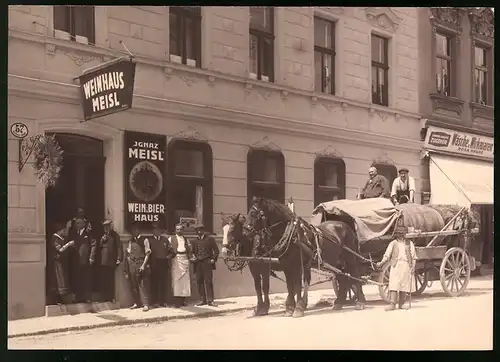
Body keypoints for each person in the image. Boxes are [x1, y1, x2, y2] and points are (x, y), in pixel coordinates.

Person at [376, 224, 417, 311]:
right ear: (396, 234)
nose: (401, 235)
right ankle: (392, 304)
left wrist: (413, 267)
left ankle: (402, 304)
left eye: (403, 233)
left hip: (406, 265)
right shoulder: (393, 243)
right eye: (399, 233)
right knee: (394, 284)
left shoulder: (409, 243)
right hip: (396, 265)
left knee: (404, 284)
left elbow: (414, 257)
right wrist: (381, 263)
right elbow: (387, 255)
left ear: (405, 234)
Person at [90, 220, 123, 303]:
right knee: (103, 280)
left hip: (111, 261)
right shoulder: (101, 235)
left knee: (110, 280)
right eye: (105, 226)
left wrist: (119, 258)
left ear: (110, 226)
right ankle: (103, 297)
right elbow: (96, 247)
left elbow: (119, 247)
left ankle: (111, 297)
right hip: (102, 261)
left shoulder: (115, 235)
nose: (106, 228)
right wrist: (101, 241)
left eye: (108, 226)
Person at [125, 222, 152, 312]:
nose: (134, 231)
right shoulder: (131, 241)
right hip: (132, 264)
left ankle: (146, 304)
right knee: (133, 285)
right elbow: (128, 254)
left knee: (142, 284)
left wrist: (143, 265)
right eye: (133, 230)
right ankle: (137, 303)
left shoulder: (145, 240)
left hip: (141, 263)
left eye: (136, 229)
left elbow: (147, 254)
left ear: (139, 230)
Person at [190, 224, 219, 307]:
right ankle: (203, 300)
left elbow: (216, 250)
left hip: (207, 262)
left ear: (203, 230)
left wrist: (213, 259)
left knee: (208, 281)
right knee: (199, 281)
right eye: (197, 230)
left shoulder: (210, 239)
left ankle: (210, 300)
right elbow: (191, 252)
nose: (199, 232)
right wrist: (193, 258)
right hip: (198, 263)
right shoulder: (194, 241)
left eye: (200, 230)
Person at [149, 222, 174, 308]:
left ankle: (162, 301)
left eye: (158, 230)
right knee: (154, 283)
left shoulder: (165, 240)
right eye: (154, 230)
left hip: (163, 264)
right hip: (154, 264)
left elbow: (171, 251)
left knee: (163, 283)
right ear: (152, 231)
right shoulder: (149, 240)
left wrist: (168, 256)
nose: (156, 231)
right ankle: (154, 301)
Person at [48, 221, 74, 305]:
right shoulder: (55, 238)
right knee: (58, 280)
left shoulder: (61, 237)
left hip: (62, 262)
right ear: (59, 230)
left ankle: (61, 298)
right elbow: (60, 249)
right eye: (63, 230)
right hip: (57, 262)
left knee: (62, 280)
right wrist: (69, 244)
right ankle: (57, 299)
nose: (64, 231)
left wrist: (68, 226)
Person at [70, 217, 93, 303]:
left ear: (83, 224)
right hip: (77, 259)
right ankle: (77, 297)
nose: (77, 225)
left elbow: (93, 245)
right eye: (76, 223)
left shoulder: (88, 233)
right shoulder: (75, 233)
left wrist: (91, 257)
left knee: (86, 279)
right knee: (77, 278)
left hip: (86, 259)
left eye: (78, 223)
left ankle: (87, 298)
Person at [169, 224, 192, 308]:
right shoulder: (171, 238)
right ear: (175, 230)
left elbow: (189, 249)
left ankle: (183, 300)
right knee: (176, 280)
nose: (179, 231)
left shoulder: (186, 239)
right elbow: (168, 249)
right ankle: (177, 302)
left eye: (181, 229)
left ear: (183, 230)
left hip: (185, 259)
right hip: (176, 259)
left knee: (185, 282)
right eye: (177, 229)